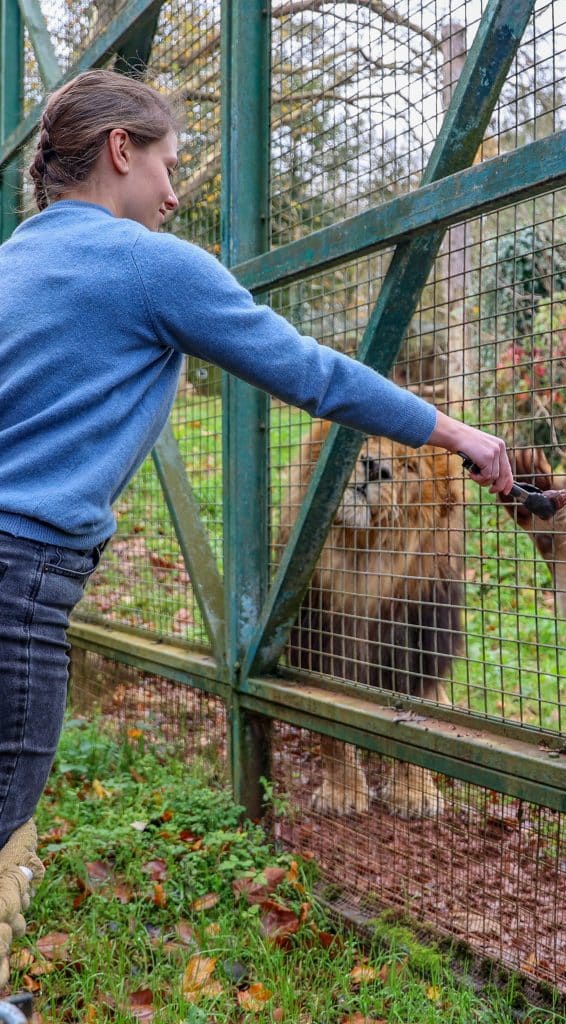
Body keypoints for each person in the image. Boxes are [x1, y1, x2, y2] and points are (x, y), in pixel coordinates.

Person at [0, 69, 513, 980]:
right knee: (4, 818)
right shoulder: (151, 263)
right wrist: (455, 432)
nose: (173, 192)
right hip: (22, 569)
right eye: (168, 165)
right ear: (120, 150)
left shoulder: (12, 262)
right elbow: (312, 372)